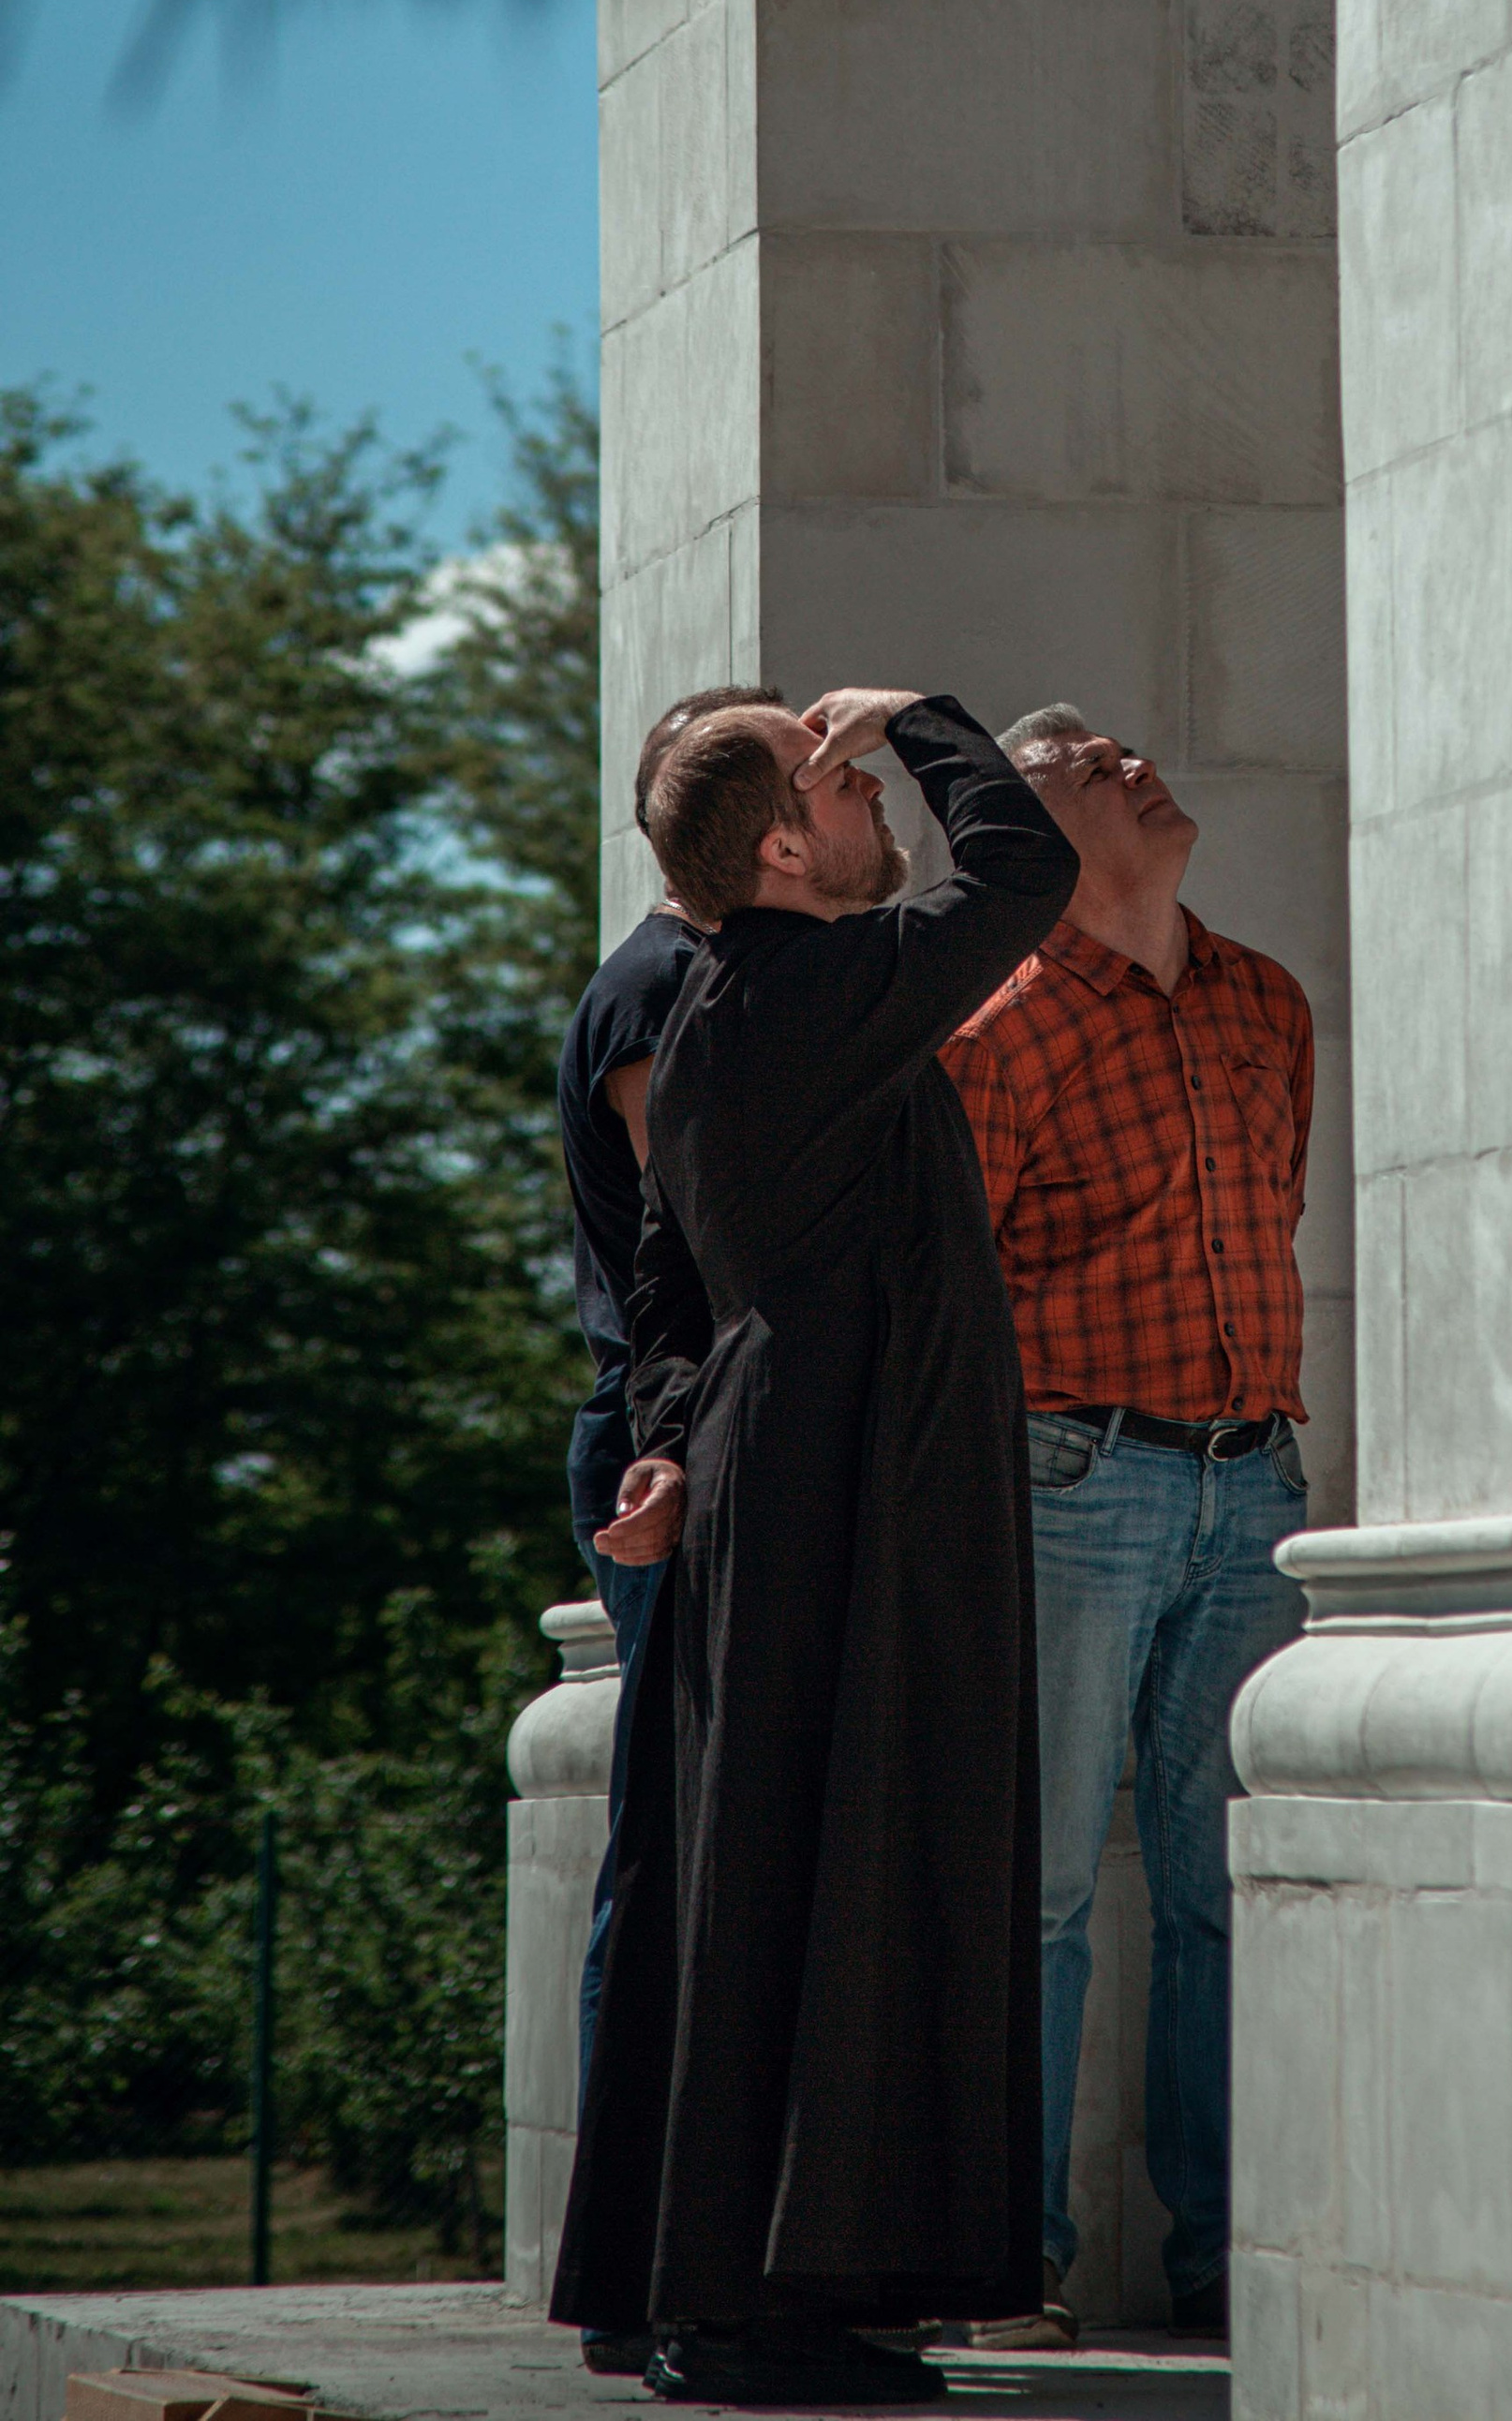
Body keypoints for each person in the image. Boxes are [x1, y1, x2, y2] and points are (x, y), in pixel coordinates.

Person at [551, 689, 1078, 2412]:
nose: (868, 799)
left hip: (802, 1470)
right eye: (836, 783)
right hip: (851, 1476)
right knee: (834, 1859)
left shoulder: (716, 1007)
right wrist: (926, 717)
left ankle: (774, 2290)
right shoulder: (814, 987)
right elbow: (1023, 871)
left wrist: (673, 1445)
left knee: (794, 1868)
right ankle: (754, 2308)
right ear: (782, 846)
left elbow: (669, 1288)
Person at [940, 705, 1312, 2351]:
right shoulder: (995, 1030)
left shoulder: (1266, 1000)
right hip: (1073, 1478)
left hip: (1259, 1483)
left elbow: (1279, 1211)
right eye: (1085, 765)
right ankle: (1001, 2258)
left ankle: (1239, 2260)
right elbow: (962, 1290)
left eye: (1125, 747)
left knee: (1230, 1880)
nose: (1133, 763)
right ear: (1030, 827)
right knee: (1036, 1890)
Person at [553, 688, 784, 2229]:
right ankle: (630, 2237)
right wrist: (685, 1450)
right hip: (661, 1438)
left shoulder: (714, 976)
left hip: (688, 1431)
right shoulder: (656, 992)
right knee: (661, 1848)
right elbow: (679, 1243)